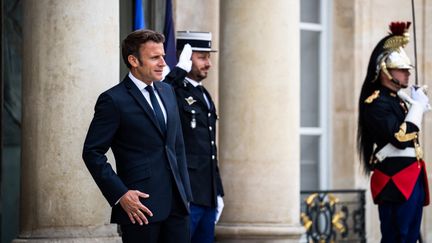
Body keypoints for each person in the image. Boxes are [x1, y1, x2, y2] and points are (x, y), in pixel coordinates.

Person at [82, 29, 192, 243]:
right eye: (154, 57)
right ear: (133, 60)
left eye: (163, 56)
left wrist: (186, 194)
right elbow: (92, 152)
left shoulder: (168, 92)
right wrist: (121, 194)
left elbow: (177, 147)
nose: (162, 63)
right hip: (140, 209)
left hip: (178, 208)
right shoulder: (113, 100)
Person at [357, 21, 430, 242]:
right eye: (402, 70)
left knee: (410, 236)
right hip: (395, 180)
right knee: (398, 236)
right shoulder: (376, 102)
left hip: (411, 176)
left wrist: (414, 107)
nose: (408, 75)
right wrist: (417, 110)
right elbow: (400, 138)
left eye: (408, 71)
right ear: (385, 70)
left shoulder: (398, 101)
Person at [164, 31, 224, 243]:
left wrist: (218, 191)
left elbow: (210, 148)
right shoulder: (175, 89)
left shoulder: (203, 94)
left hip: (206, 193)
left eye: (208, 57)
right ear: (186, 58)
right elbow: (160, 96)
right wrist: (178, 71)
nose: (208, 63)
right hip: (187, 193)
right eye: (201, 57)